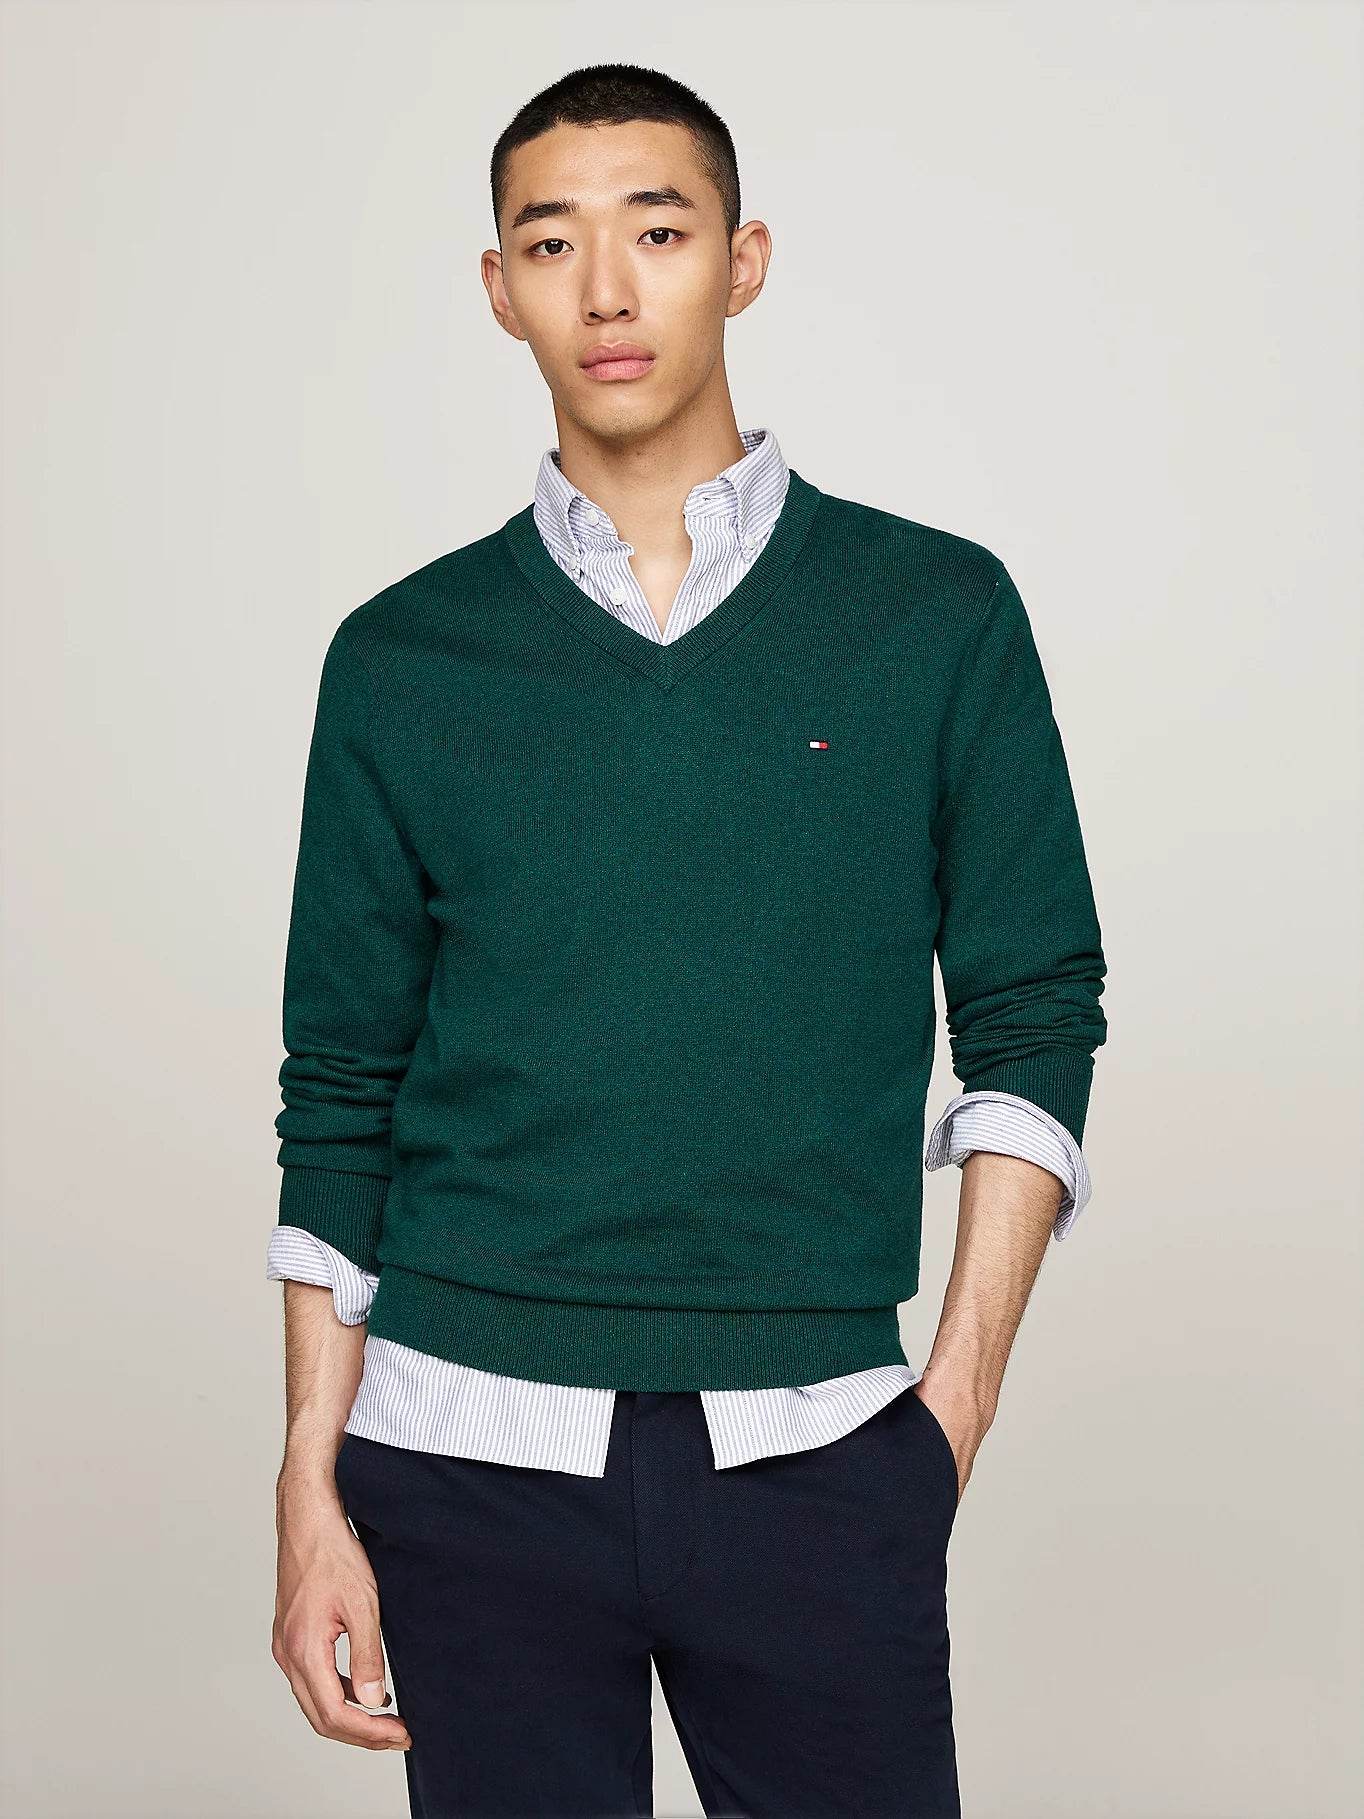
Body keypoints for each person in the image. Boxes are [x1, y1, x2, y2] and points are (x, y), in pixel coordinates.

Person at [267, 61, 1108, 1819]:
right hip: (461, 1453)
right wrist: (307, 1482)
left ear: (744, 260)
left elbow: (1035, 1010)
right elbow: (339, 1087)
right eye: (550, 243)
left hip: (818, 1452)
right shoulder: (402, 659)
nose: (606, 290)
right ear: (497, 288)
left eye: (657, 232)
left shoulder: (934, 615)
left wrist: (948, 1412)